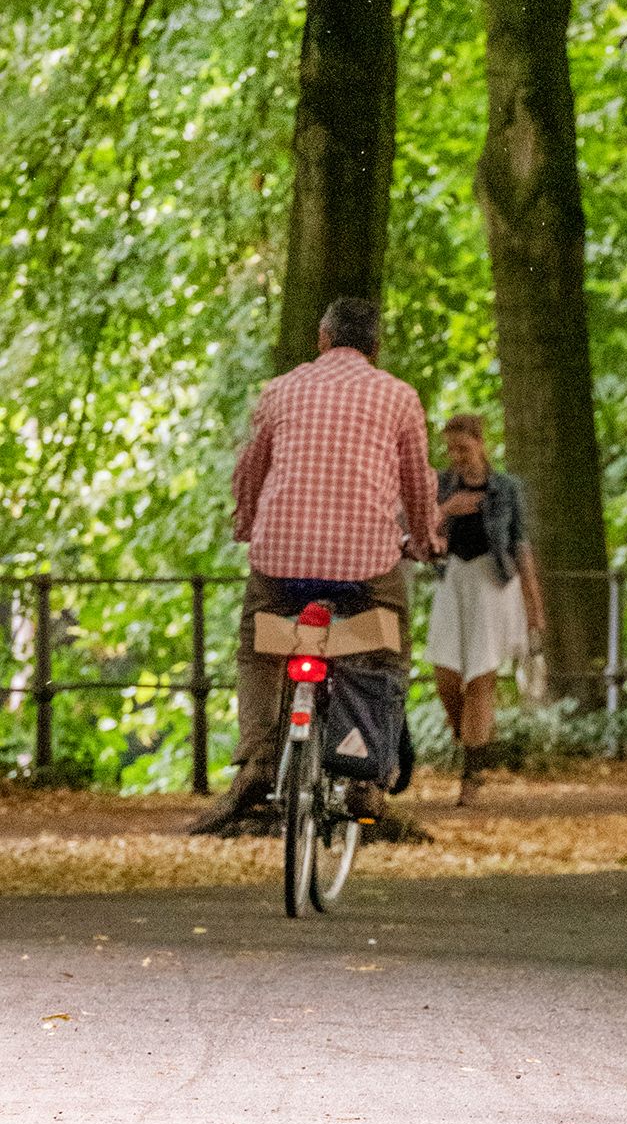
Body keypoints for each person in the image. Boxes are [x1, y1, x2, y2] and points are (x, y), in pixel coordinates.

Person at [196, 296, 440, 833]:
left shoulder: (280, 390)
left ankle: (258, 760)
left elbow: (249, 470)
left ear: (322, 339)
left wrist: (245, 525)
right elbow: (419, 483)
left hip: (280, 558)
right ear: (376, 348)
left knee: (259, 645)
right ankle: (365, 780)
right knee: (384, 649)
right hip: (367, 560)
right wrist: (423, 539)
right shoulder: (398, 396)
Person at [429, 413, 546, 805]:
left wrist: (535, 608)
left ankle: (472, 773)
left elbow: (520, 546)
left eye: (463, 447)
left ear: (481, 443)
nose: (457, 456)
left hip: (493, 585)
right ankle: (470, 739)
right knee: (445, 676)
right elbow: (418, 528)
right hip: (452, 580)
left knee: (480, 678)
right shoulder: (442, 485)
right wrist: (447, 510)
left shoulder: (507, 489)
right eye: (451, 449)